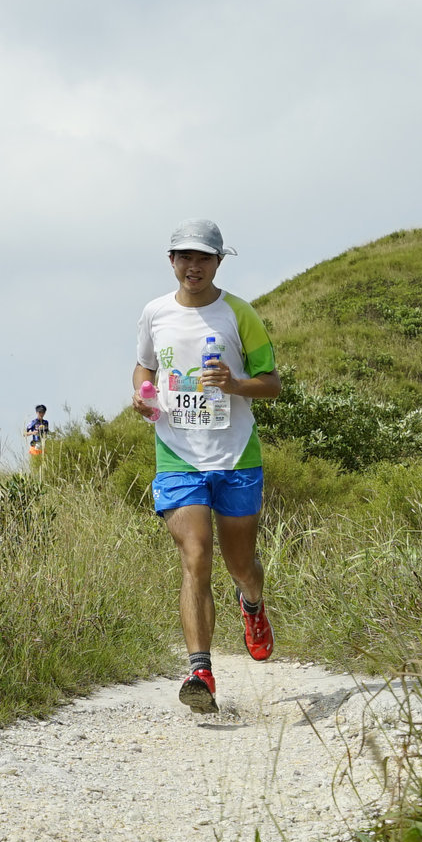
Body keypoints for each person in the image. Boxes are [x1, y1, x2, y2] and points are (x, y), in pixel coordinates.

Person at [132, 218, 281, 713]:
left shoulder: (239, 314)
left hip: (236, 456)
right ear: (171, 261)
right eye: (185, 257)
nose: (193, 266)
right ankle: (200, 671)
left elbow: (272, 383)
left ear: (218, 262)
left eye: (203, 258)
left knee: (241, 565)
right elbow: (145, 365)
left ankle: (252, 604)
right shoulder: (155, 312)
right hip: (177, 454)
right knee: (196, 556)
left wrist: (234, 385)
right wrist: (142, 394)